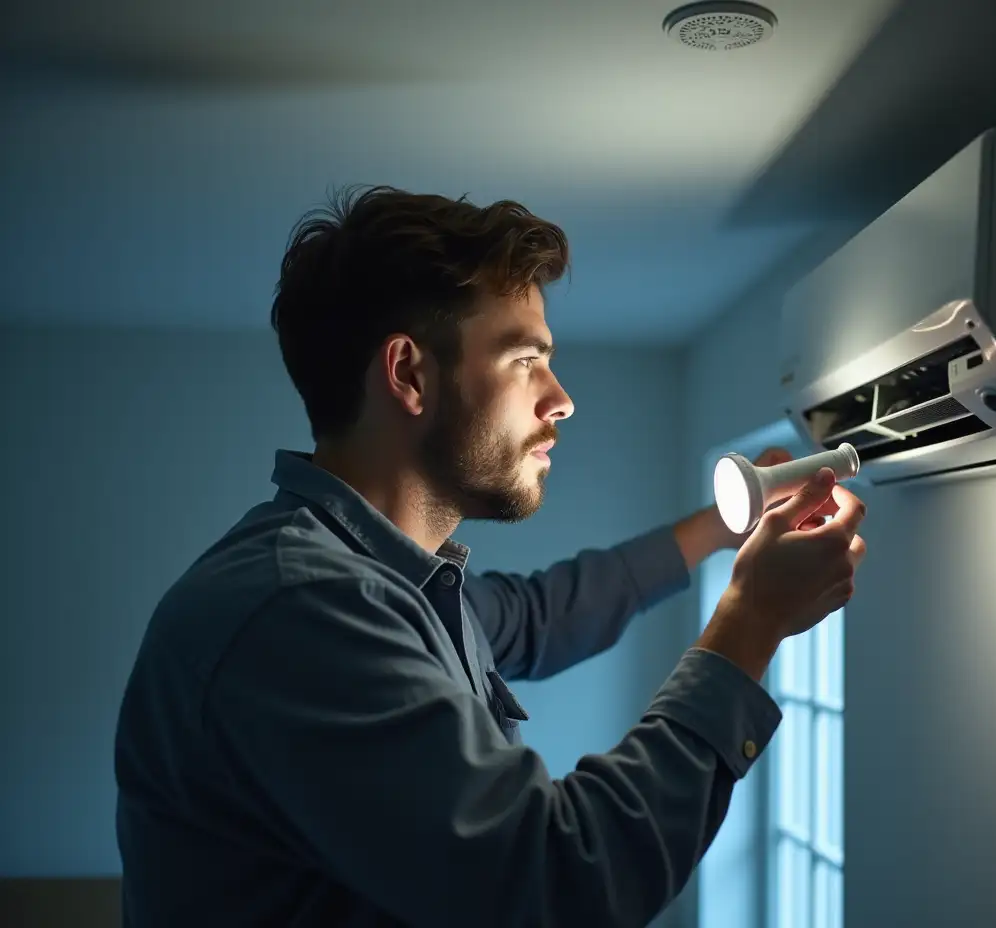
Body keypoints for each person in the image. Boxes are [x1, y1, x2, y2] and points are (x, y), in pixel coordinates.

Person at [113, 186, 867, 927]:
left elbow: (553, 610)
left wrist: (728, 522)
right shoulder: (300, 609)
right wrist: (751, 622)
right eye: (524, 360)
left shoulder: (393, 584)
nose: (561, 398)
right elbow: (559, 880)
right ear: (409, 374)